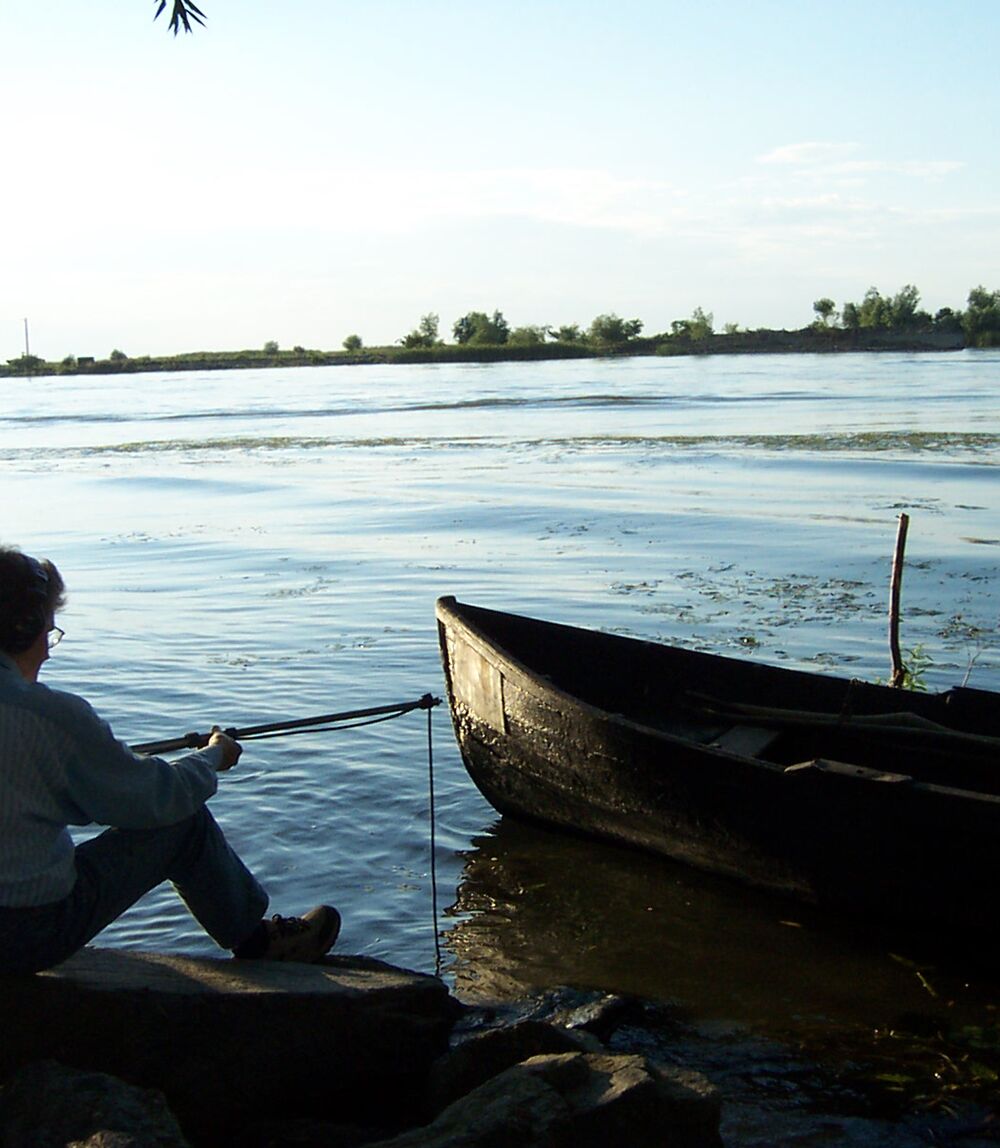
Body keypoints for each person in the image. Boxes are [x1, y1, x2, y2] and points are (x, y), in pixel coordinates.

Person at [0, 546, 340, 974]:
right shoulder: (51, 715)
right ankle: (258, 942)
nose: (49, 652)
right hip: (25, 935)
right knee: (184, 826)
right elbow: (158, 799)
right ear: (23, 628)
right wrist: (214, 755)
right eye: (48, 633)